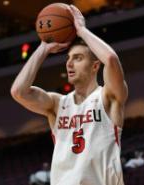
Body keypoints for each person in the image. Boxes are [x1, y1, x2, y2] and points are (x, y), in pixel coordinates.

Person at [10, 4, 128, 185]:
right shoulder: (57, 104)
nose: (69, 64)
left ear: (95, 66)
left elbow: (111, 59)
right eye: (68, 59)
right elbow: (18, 91)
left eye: (78, 58)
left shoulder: (107, 97)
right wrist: (43, 48)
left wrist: (81, 31)